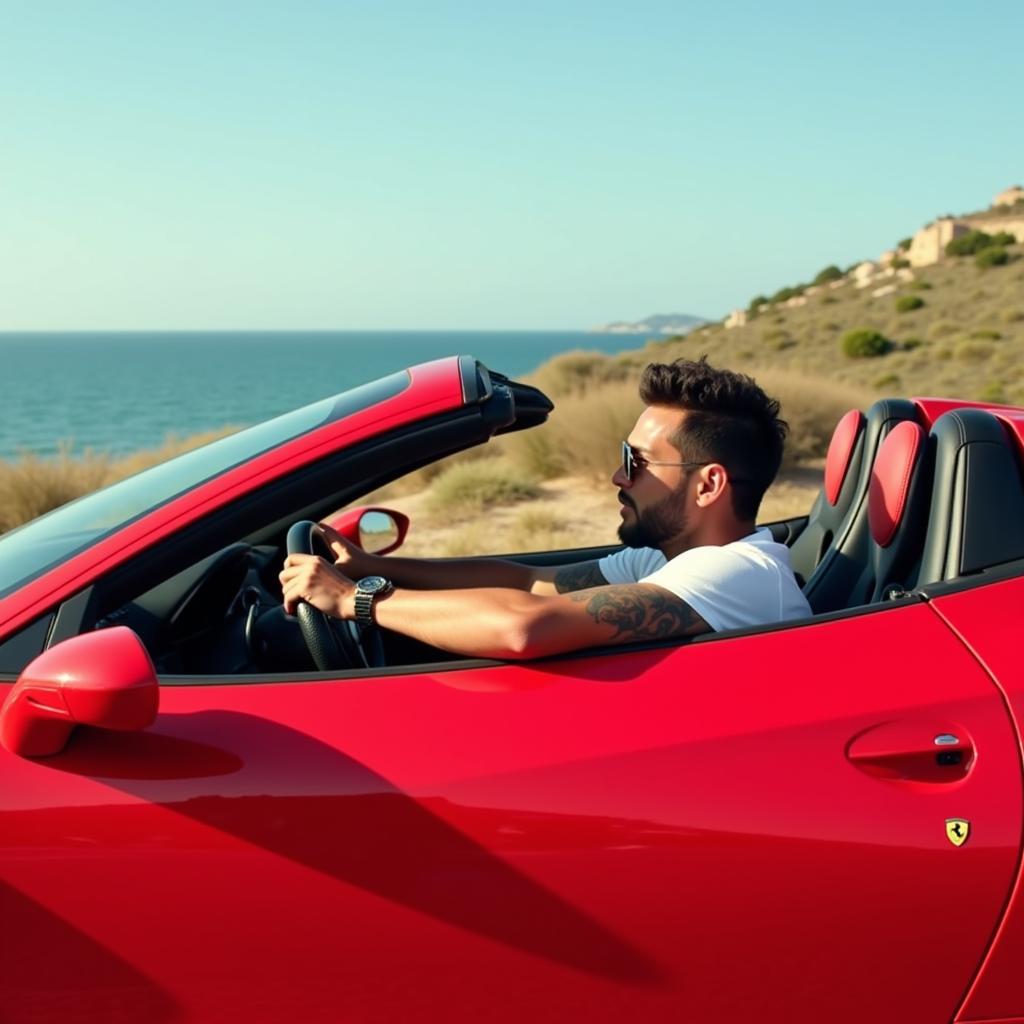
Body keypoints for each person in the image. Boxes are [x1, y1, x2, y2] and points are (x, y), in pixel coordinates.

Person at [279, 357, 811, 660]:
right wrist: (374, 566)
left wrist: (355, 599)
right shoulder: (667, 560)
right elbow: (528, 581)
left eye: (637, 461)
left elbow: (523, 629)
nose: (617, 477)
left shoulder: (740, 573)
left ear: (708, 485)